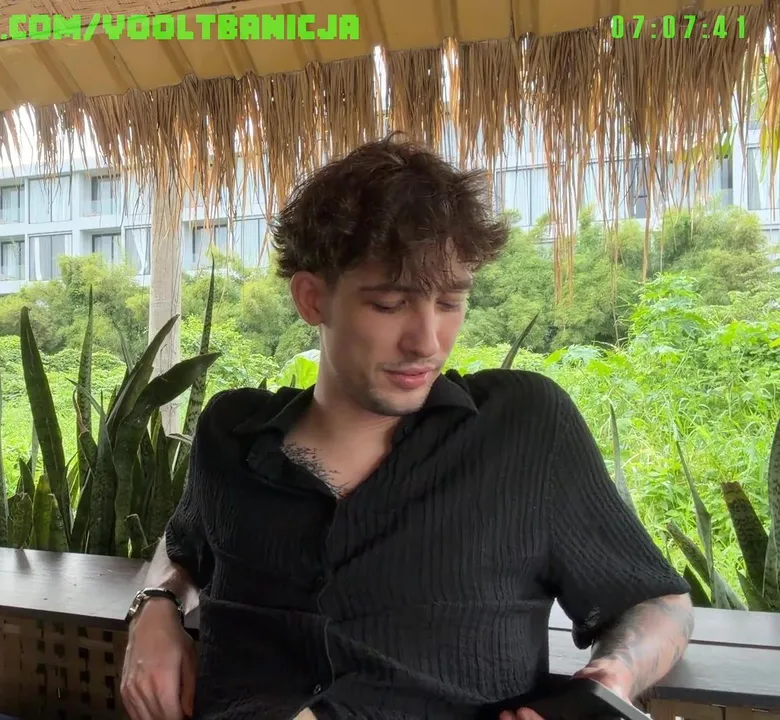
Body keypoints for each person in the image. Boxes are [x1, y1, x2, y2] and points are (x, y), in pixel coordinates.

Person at [119, 134, 694, 720]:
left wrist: (611, 678)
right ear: (312, 299)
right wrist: (156, 605)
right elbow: (184, 541)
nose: (427, 342)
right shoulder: (231, 435)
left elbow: (658, 601)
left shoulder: (523, 428)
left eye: (449, 302)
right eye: (390, 305)